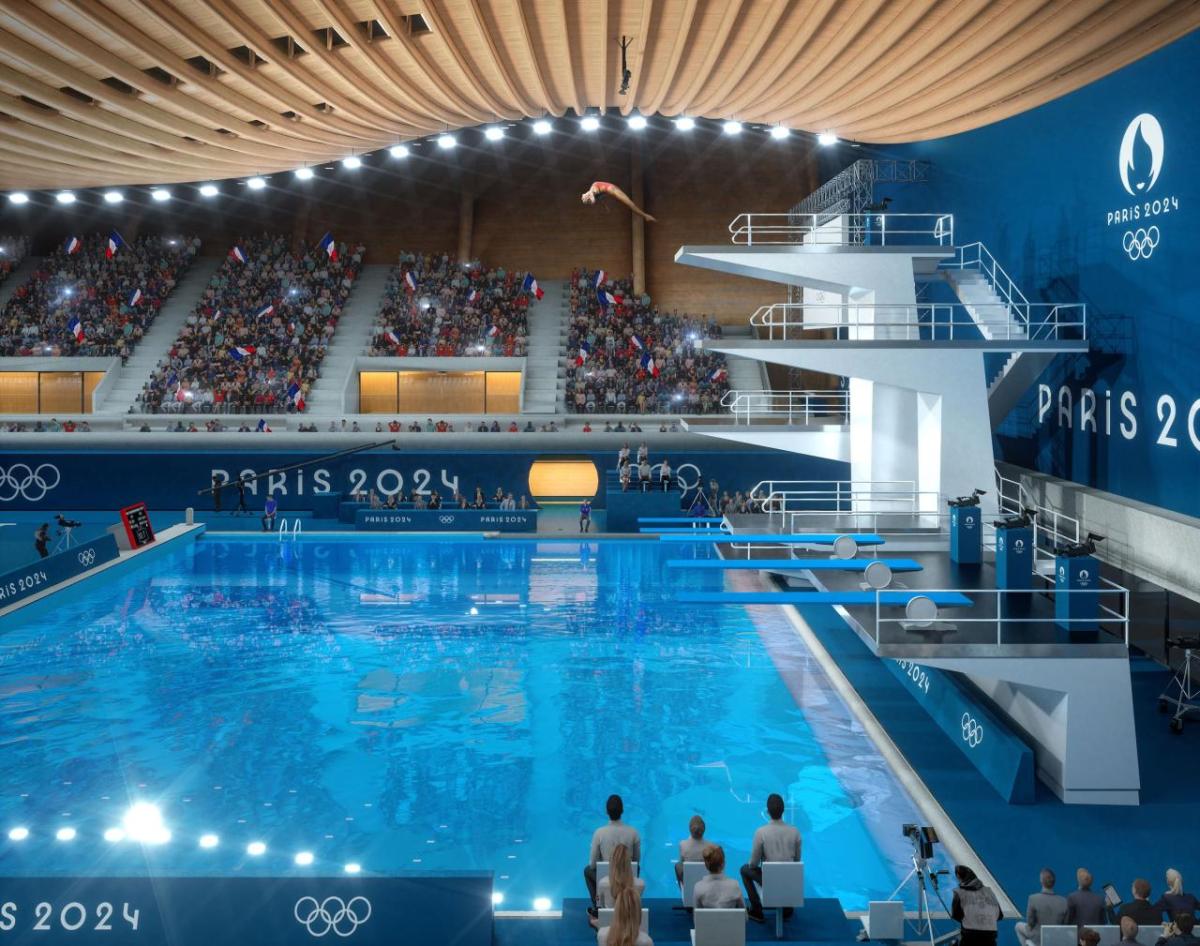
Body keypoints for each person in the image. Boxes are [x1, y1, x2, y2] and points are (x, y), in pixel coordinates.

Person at [740, 793, 800, 924]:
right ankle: (787, 908)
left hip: (770, 880)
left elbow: (753, 864)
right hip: (788, 883)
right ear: (783, 810)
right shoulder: (795, 832)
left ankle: (757, 910)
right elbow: (797, 862)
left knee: (744, 869)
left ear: (767, 811)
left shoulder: (761, 832)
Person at [584, 794, 641, 916]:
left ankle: (598, 906)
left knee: (587, 870)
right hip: (627, 876)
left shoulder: (599, 833)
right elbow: (636, 861)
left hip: (607, 876)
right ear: (622, 811)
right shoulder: (633, 832)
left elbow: (593, 864)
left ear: (606, 811)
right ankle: (629, 901)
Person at [952, 865, 1003, 946]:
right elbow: (1000, 916)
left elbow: (956, 915)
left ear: (959, 877)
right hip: (990, 938)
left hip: (969, 938)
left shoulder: (959, 892)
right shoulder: (989, 891)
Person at [1017, 869, 1069, 946]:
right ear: (1054, 882)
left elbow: (1030, 923)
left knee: (1018, 926)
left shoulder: (1033, 899)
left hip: (1038, 939)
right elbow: (1065, 924)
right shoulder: (1064, 901)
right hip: (1056, 938)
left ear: (1041, 881)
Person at [596, 843, 646, 911]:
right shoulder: (641, 884)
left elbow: (600, 905)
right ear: (629, 862)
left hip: (609, 920)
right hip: (631, 920)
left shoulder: (602, 883)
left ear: (612, 861)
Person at [694, 844, 745, 909]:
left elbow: (697, 916)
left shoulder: (698, 887)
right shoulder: (735, 885)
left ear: (706, 865)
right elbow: (744, 916)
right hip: (730, 919)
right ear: (723, 864)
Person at [581, 180, 657, 223]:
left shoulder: (593, 189)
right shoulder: (595, 193)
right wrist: (605, 206)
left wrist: (588, 196)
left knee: (630, 205)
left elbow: (593, 194)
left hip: (612, 189)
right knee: (630, 205)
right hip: (611, 188)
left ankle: (646, 216)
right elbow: (600, 199)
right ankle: (645, 216)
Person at [676, 815, 708, 883]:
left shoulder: (683, 844)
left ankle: (682, 886)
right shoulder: (711, 846)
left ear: (690, 830)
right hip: (706, 881)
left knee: (677, 865)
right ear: (704, 829)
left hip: (689, 881)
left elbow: (682, 863)